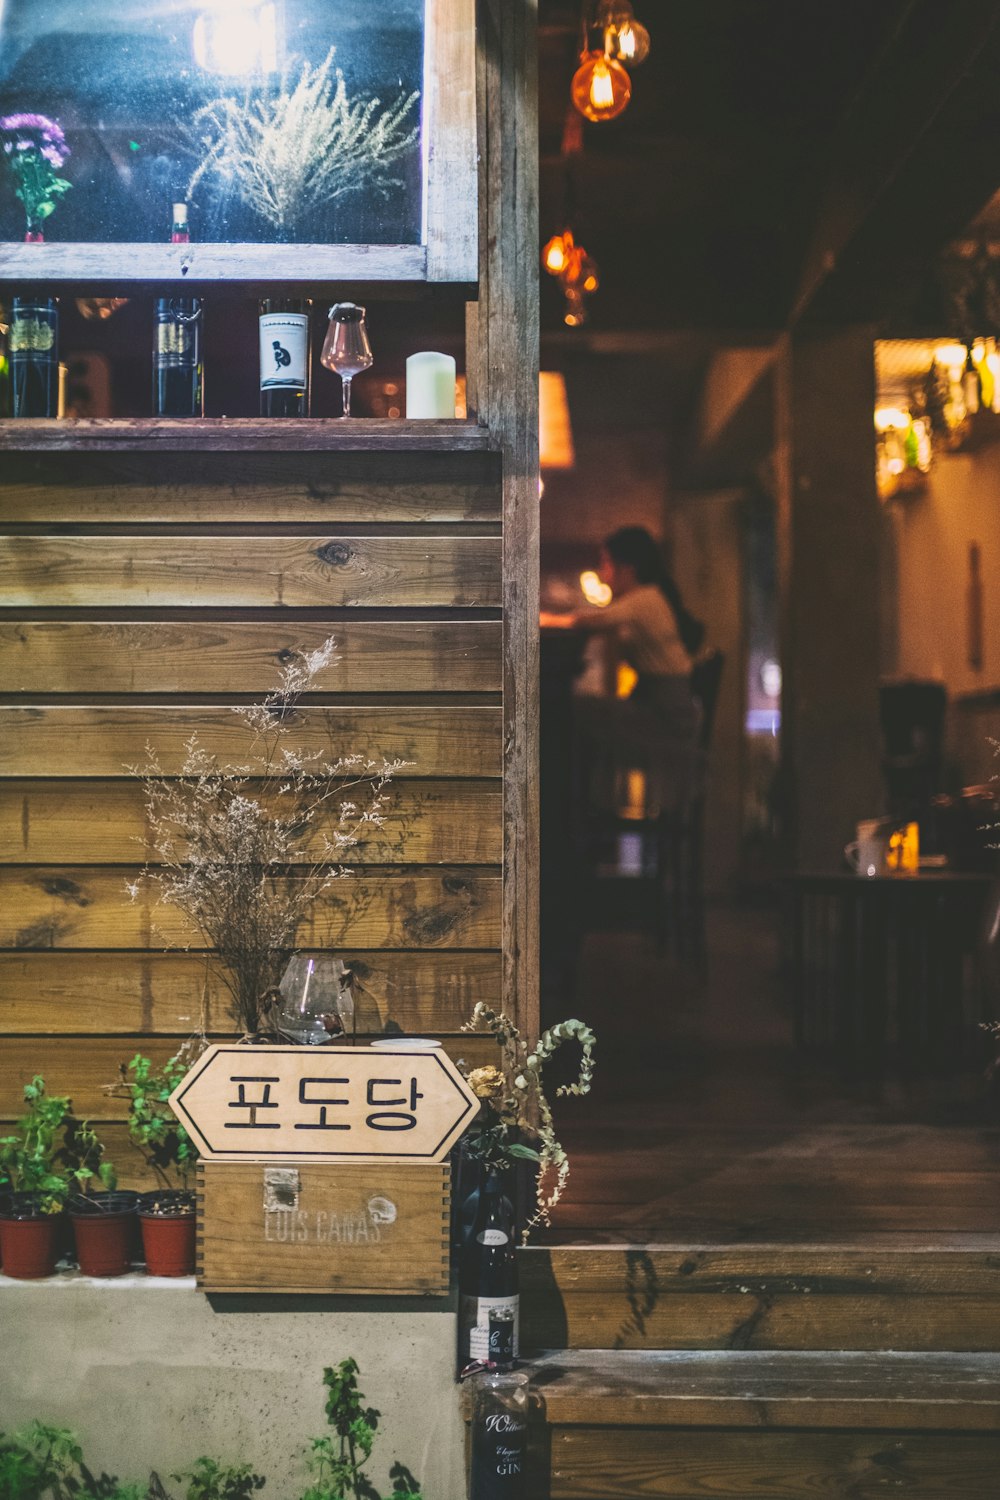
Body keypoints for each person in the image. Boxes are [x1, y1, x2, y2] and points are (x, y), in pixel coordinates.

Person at [541, 526, 705, 816]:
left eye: (606, 563)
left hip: (664, 717)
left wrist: (542, 618)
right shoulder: (647, 598)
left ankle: (574, 816)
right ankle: (578, 816)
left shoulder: (645, 599)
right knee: (576, 712)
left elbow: (592, 621)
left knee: (571, 713)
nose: (603, 573)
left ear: (627, 568)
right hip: (662, 709)